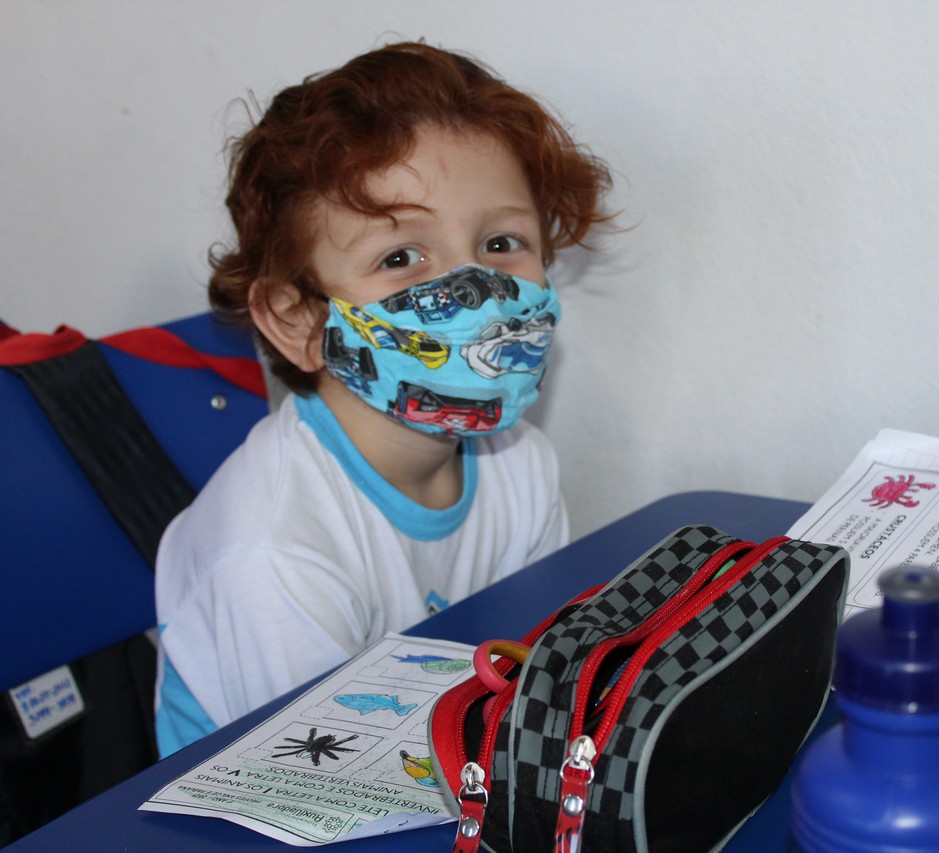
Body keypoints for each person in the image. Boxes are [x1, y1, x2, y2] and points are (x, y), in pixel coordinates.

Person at [153, 41, 612, 756]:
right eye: (401, 257)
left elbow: (536, 675)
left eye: (501, 242)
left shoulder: (521, 461)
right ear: (298, 321)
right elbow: (319, 780)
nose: (476, 289)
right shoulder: (275, 551)